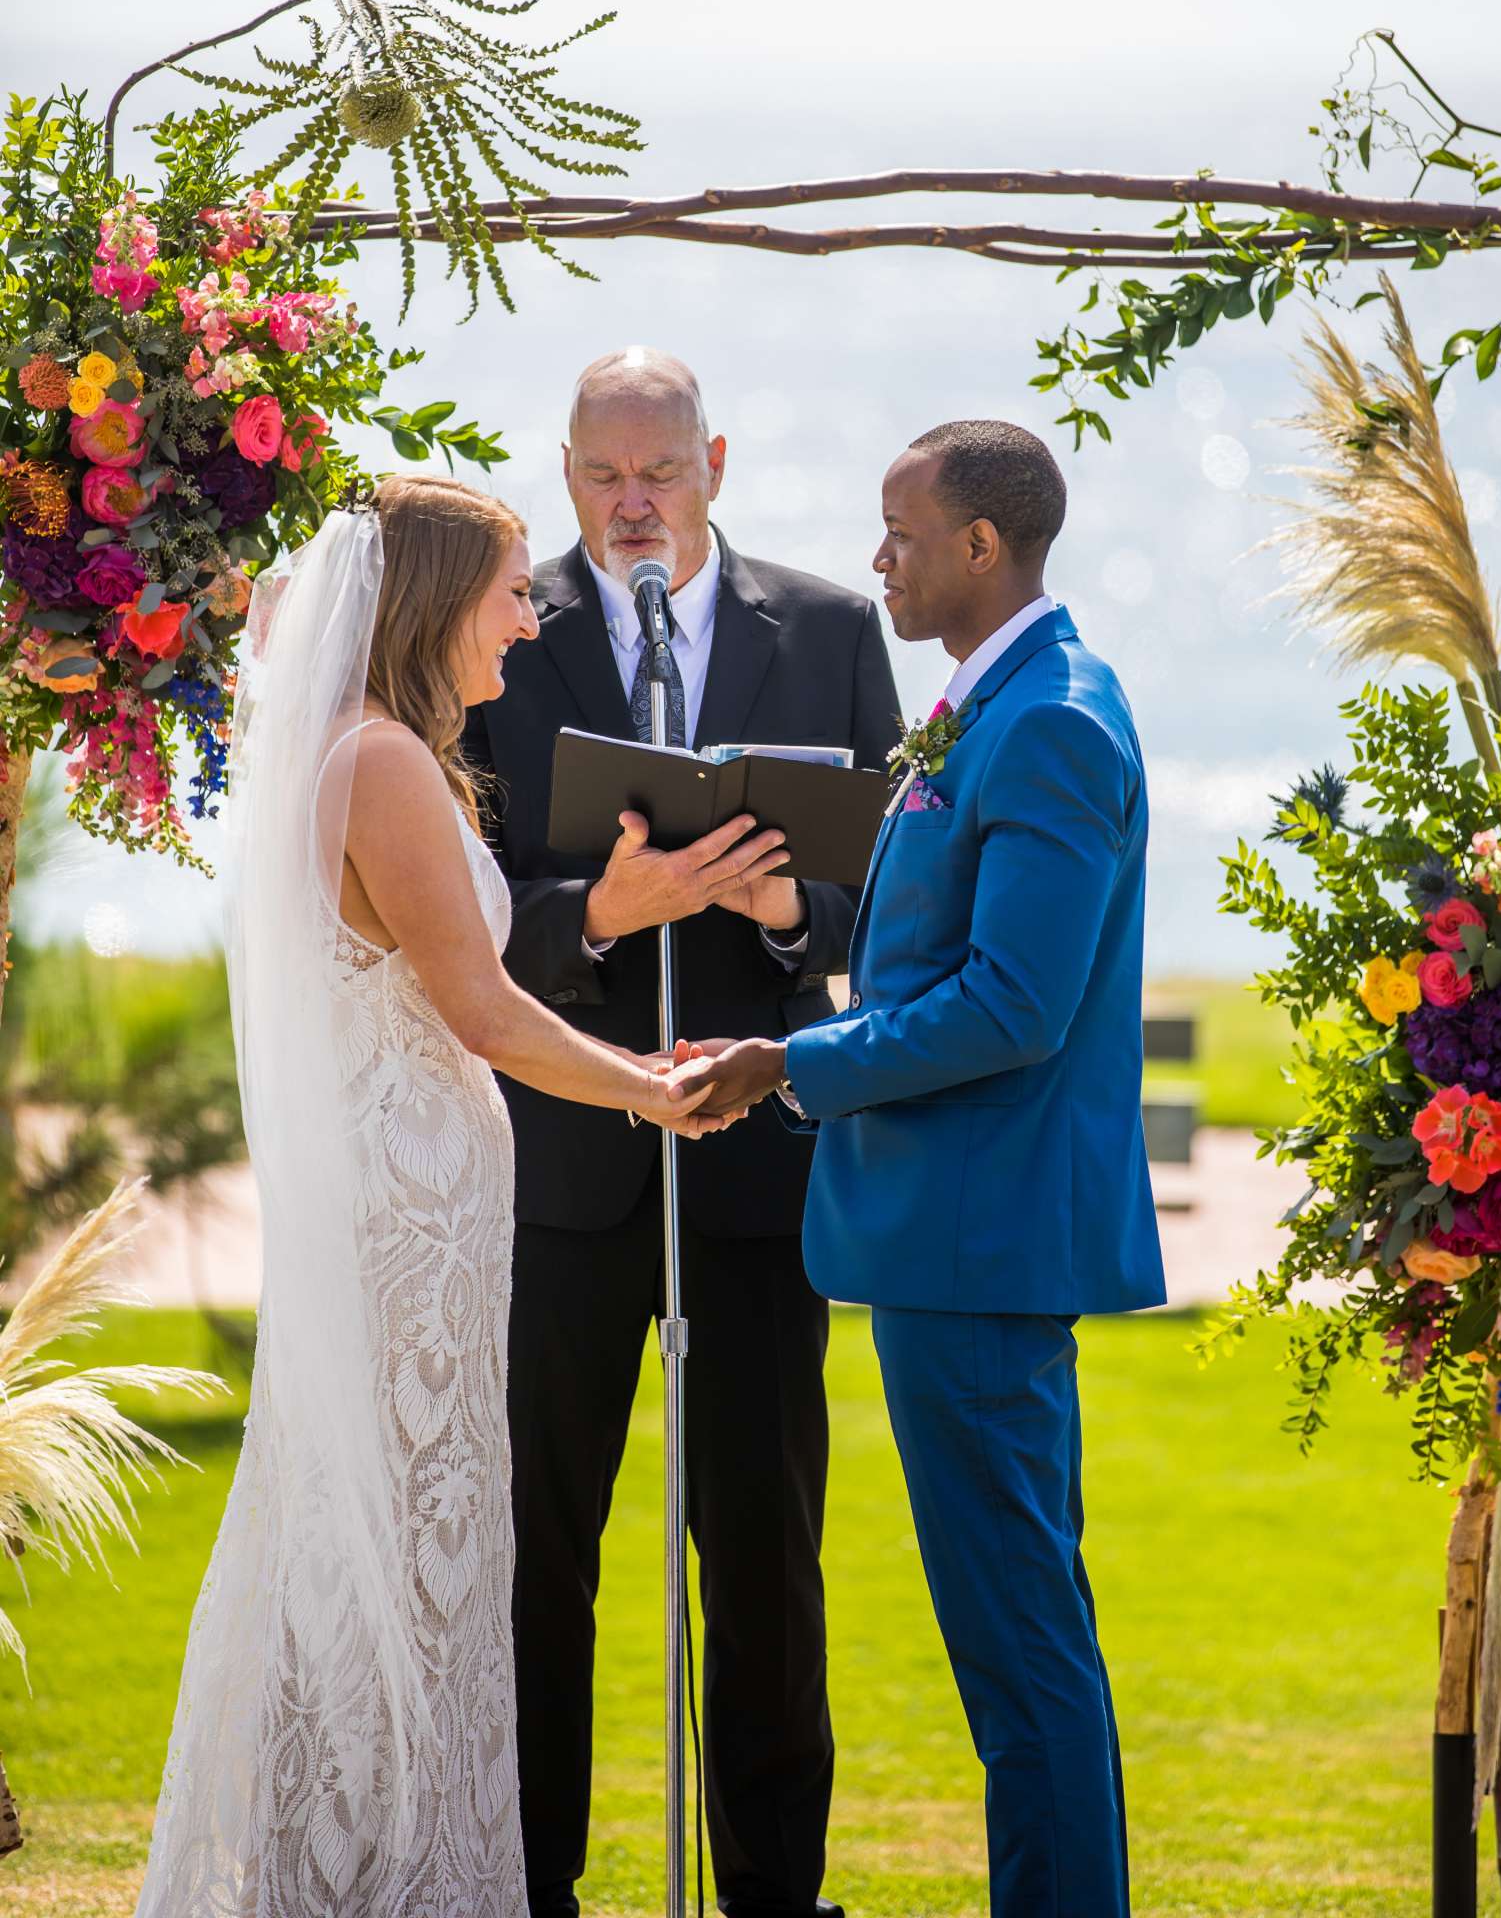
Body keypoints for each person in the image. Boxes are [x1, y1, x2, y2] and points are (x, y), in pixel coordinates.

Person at [136, 475, 726, 1918]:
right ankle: (366, 1878)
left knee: (402, 1535)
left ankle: (354, 1867)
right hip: (404, 1217)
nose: (530, 624)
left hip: (418, 1209)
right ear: (438, 599)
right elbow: (484, 1009)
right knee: (402, 1542)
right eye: (514, 593)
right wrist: (650, 1086)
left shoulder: (376, 751)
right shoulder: (382, 762)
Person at [693, 419, 1166, 1918]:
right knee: (1018, 1637)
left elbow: (1016, 1007)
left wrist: (798, 1062)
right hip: (948, 1240)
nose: (876, 558)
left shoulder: (1054, 721)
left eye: (897, 531)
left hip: (979, 1244)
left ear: (981, 546)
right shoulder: (992, 705)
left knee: (1022, 1645)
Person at [461, 348, 901, 1918]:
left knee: (767, 1553)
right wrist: (601, 913)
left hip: (759, 1165)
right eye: (601, 477)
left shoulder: (834, 630)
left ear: (713, 459)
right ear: (566, 470)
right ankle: (533, 1884)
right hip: (562, 1171)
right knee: (538, 1555)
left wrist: (791, 911)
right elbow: (456, 895)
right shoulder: (508, 633)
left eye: (658, 473)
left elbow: (886, 903)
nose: (631, 505)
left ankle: (777, 1893)